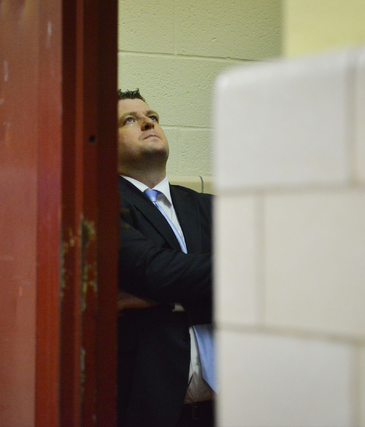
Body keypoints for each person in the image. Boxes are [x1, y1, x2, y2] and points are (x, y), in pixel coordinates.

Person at [117, 89, 215, 427]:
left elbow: (267, 280)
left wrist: (166, 302)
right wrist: (227, 286)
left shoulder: (210, 206)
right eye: (129, 120)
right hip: (153, 410)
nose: (147, 122)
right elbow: (155, 271)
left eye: (152, 117)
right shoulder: (101, 206)